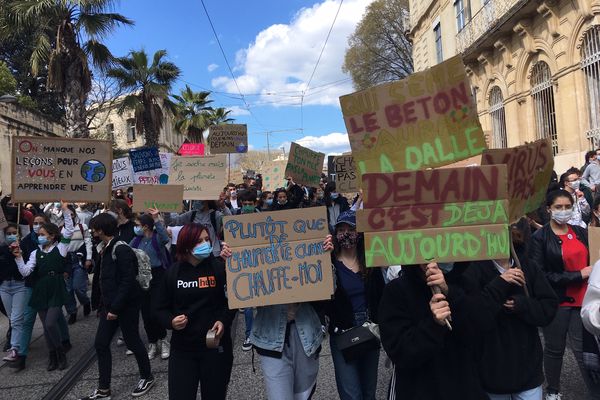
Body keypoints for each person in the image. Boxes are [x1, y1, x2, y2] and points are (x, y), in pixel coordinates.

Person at [221, 235, 334, 400]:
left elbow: (331, 289)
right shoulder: (257, 249)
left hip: (306, 335)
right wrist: (232, 266)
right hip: (271, 337)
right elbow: (235, 296)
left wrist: (325, 258)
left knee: (304, 394)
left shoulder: (306, 247)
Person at [464, 225, 558, 399]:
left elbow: (548, 309)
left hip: (527, 367)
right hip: (491, 367)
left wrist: (522, 305)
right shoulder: (474, 270)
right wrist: (500, 283)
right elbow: (473, 316)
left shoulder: (528, 267)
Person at [379, 262, 491, 399]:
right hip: (417, 390)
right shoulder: (397, 290)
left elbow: (480, 329)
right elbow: (400, 351)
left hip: (464, 388)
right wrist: (433, 325)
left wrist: (450, 293)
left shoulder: (465, 282)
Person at [529, 189, 600, 399]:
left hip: (582, 300)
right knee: (554, 349)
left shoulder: (580, 231)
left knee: (583, 351)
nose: (563, 211)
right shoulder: (539, 238)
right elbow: (540, 275)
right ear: (549, 209)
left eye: (567, 207)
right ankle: (553, 390)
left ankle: (595, 391)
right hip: (556, 302)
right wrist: (578, 275)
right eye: (558, 207)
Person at [78, 213, 154, 400]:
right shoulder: (104, 247)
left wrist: (115, 308)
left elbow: (127, 281)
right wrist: (102, 304)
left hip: (124, 306)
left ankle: (147, 376)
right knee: (101, 344)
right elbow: (103, 278)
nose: (92, 231)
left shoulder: (120, 249)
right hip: (109, 306)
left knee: (133, 340)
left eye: (94, 228)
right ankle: (104, 389)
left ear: (101, 230)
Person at [155, 224, 236, 400]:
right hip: (183, 350)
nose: (205, 244)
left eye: (207, 239)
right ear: (186, 245)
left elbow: (231, 302)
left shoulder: (219, 268)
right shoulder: (172, 273)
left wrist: (223, 320)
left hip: (215, 348)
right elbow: (160, 308)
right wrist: (171, 322)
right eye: (199, 241)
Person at [326, 210, 384, 400]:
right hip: (343, 332)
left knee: (369, 391)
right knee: (351, 394)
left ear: (359, 233)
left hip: (370, 328)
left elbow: (381, 294)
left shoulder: (370, 260)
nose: (346, 234)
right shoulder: (330, 264)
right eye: (341, 229)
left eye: (351, 229)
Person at [13, 201, 73, 372]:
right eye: (38, 234)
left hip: (56, 287)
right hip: (41, 288)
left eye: (43, 234)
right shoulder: (34, 252)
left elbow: (68, 230)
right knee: (46, 327)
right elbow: (25, 272)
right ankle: (53, 355)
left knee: (50, 323)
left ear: (52, 236)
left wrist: (66, 211)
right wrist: (18, 257)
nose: (39, 236)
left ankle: (61, 352)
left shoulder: (61, 247)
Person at [131, 210, 170, 360]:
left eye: (138, 225)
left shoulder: (156, 239)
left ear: (146, 226)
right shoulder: (136, 241)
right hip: (142, 278)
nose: (136, 228)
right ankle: (152, 342)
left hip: (157, 276)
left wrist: (156, 219)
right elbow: (125, 251)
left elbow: (165, 238)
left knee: (156, 310)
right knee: (146, 313)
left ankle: (164, 340)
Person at [164, 200, 230, 258]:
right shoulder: (191, 214)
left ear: (206, 201)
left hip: (214, 253)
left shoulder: (216, 215)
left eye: (198, 200)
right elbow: (171, 222)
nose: (196, 202)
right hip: (196, 254)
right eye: (195, 200)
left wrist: (223, 206)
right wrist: (166, 210)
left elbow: (231, 222)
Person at [0, 223, 27, 362]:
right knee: (13, 318)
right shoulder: (2, 249)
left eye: (14, 233)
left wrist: (18, 255)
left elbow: (25, 269)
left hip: (19, 286)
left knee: (16, 319)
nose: (11, 235)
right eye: (8, 233)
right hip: (4, 287)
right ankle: (19, 343)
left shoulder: (23, 249)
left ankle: (15, 349)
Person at [63, 205, 93, 324]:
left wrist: (89, 258)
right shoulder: (61, 229)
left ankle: (85, 302)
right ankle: (72, 312)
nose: (69, 217)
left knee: (78, 287)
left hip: (79, 259)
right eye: (67, 215)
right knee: (68, 290)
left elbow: (88, 242)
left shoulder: (82, 227)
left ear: (75, 215)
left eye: (71, 214)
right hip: (67, 261)